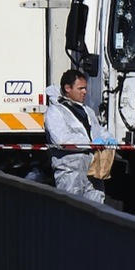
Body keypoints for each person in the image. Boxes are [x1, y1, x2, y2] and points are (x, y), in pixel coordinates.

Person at [44, 69, 115, 203]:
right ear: (67, 88)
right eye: (80, 88)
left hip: (93, 169)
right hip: (71, 171)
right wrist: (90, 143)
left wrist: (108, 138)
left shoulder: (87, 111)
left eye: (85, 88)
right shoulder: (55, 112)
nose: (85, 92)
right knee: (71, 207)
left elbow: (97, 130)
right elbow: (61, 139)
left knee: (96, 207)